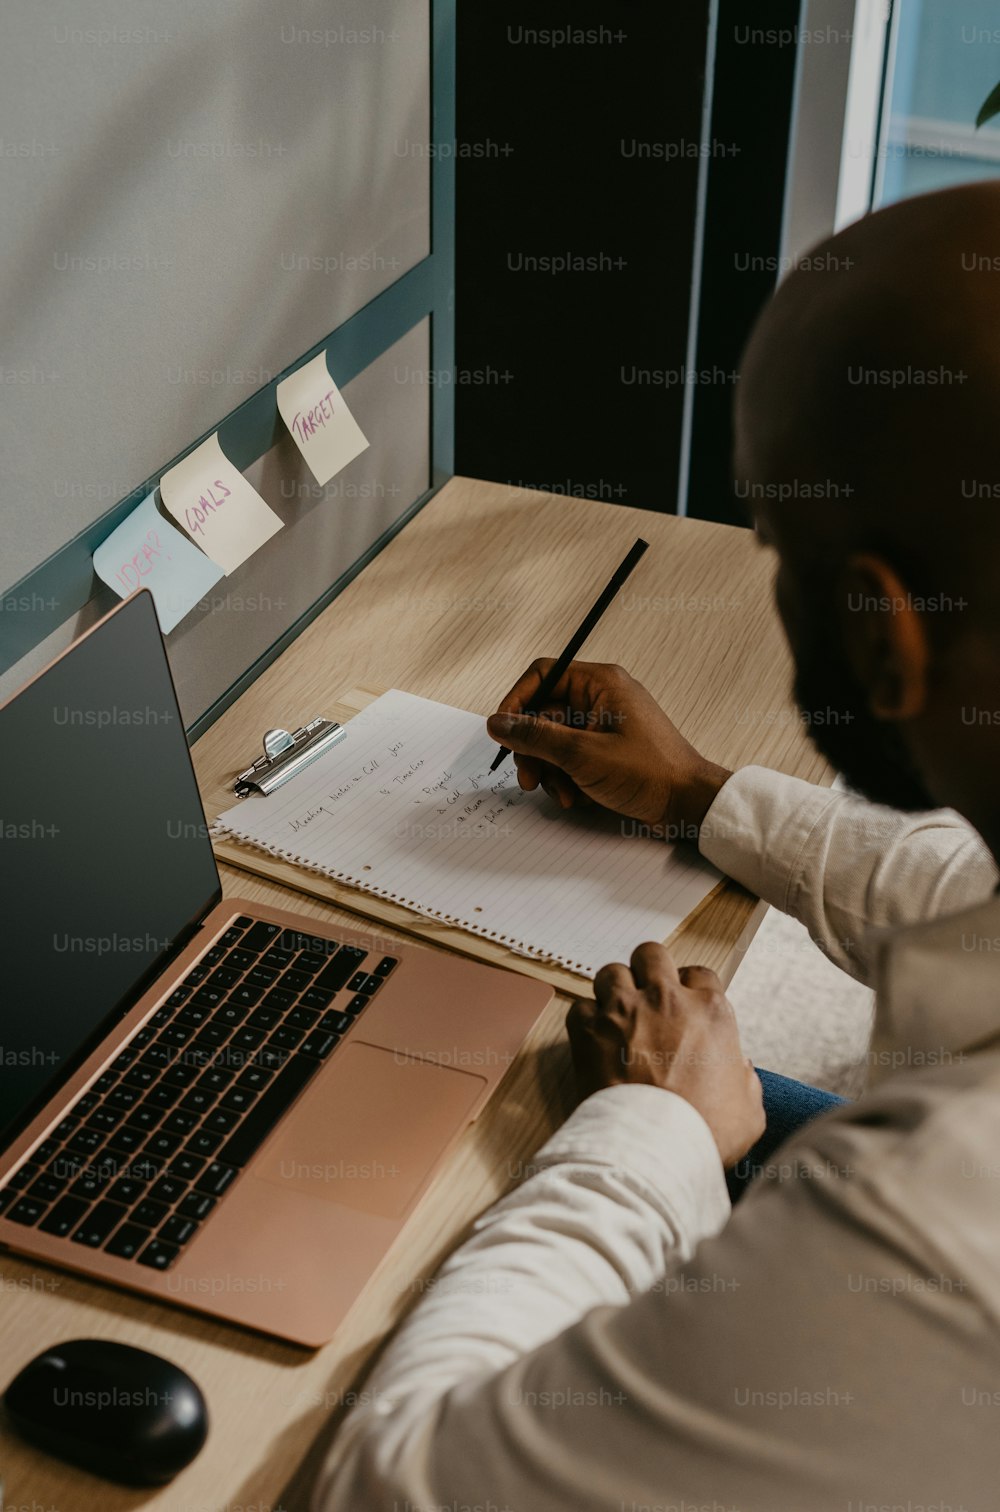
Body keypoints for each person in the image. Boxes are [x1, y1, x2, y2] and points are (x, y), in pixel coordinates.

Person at [312, 183, 1000, 1511]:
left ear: (880, 634)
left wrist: (658, 1131)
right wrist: (695, 792)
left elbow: (394, 1489)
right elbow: (967, 902)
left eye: (773, 548)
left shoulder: (937, 1228)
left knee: (475, 1159)